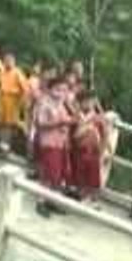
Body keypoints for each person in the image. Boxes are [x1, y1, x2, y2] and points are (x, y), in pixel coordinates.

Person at [33, 75, 75, 216]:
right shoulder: (44, 103)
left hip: (61, 144)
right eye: (58, 89)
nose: (61, 93)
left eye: (64, 90)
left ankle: (52, 201)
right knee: (47, 175)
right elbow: (40, 123)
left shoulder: (62, 104)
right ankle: (41, 201)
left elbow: (68, 120)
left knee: (57, 176)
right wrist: (59, 123)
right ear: (50, 89)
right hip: (49, 143)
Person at [70, 93, 107, 204]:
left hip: (94, 151)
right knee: (80, 174)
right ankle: (81, 193)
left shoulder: (98, 119)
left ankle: (91, 197)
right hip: (80, 150)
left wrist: (102, 150)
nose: (88, 104)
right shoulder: (77, 116)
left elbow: (104, 135)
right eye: (85, 101)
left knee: (93, 176)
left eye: (91, 101)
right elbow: (73, 135)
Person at [0, 53, 29, 155]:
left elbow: (25, 89)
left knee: (9, 125)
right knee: (1, 123)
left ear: (13, 62)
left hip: (13, 100)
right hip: (2, 99)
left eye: (10, 61)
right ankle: (1, 145)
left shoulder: (17, 73)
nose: (7, 63)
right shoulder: (2, 72)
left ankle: (6, 147)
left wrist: (22, 101)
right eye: (6, 61)